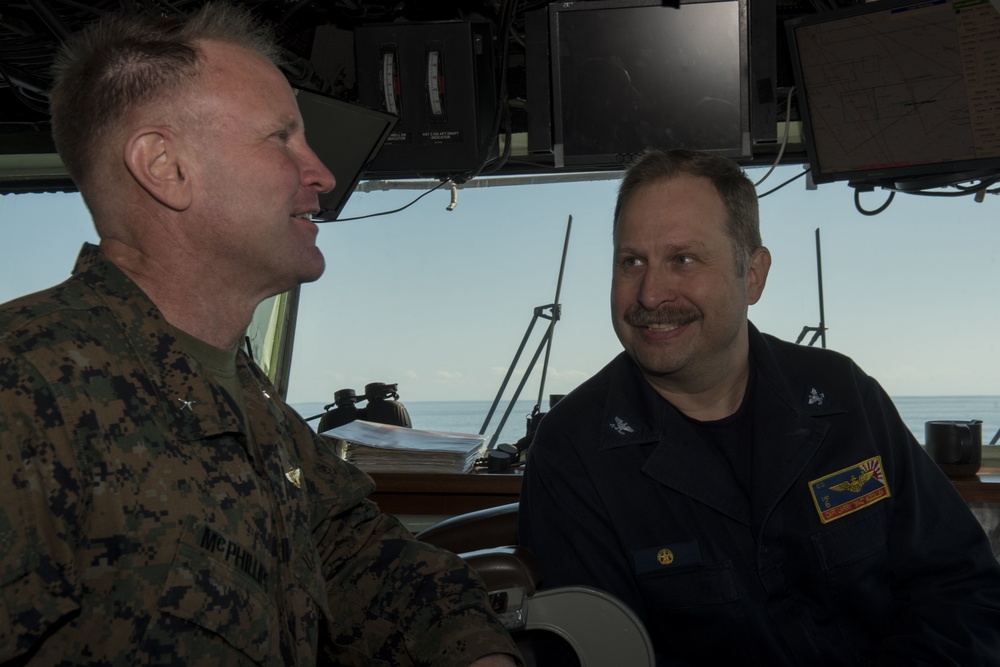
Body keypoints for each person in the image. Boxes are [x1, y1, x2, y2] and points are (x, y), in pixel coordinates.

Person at [0, 5, 520, 666]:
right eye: (281, 138)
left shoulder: (247, 397)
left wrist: (476, 651)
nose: (323, 175)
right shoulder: (26, 388)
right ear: (166, 166)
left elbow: (351, 550)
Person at [518, 148, 1000, 665]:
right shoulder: (574, 451)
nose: (651, 292)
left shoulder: (843, 397)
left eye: (682, 258)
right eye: (631, 261)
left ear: (753, 274)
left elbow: (961, 588)